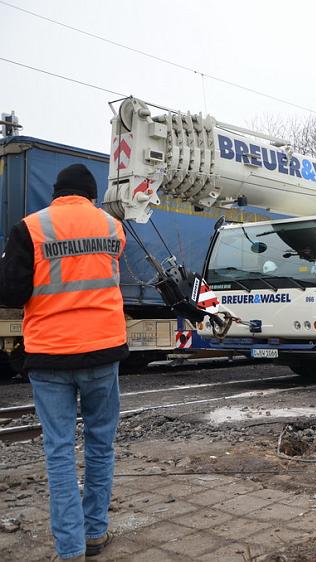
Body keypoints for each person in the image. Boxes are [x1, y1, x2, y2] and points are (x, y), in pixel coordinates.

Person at [0, 164, 127, 561]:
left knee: (58, 451)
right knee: (100, 445)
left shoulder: (30, 228)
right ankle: (94, 534)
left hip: (50, 355)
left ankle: (69, 549)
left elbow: (11, 292)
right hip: (103, 351)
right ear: (90, 195)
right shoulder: (111, 227)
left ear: (56, 193)